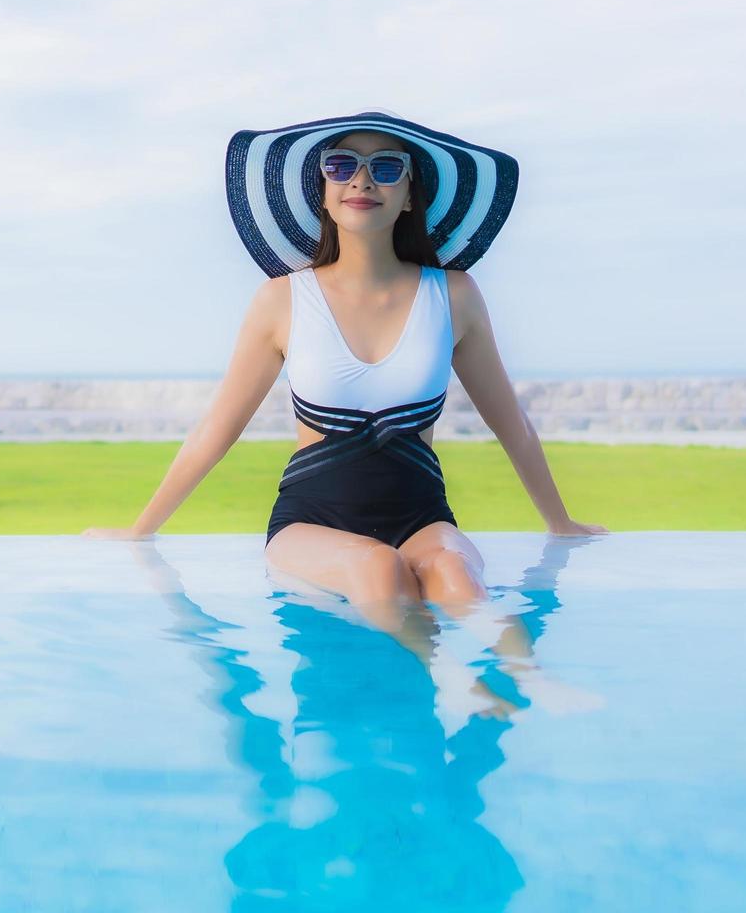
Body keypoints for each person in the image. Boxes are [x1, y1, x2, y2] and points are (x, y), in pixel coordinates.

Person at [84, 109, 606, 617]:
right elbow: (217, 430)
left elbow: (511, 425)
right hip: (310, 522)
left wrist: (559, 523)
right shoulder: (281, 300)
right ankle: (436, 679)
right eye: (341, 166)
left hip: (422, 517)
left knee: (453, 574)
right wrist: (141, 529)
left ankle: (518, 687)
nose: (361, 180)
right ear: (325, 193)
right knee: (377, 568)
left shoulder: (454, 295)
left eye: (385, 168)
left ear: (407, 197)